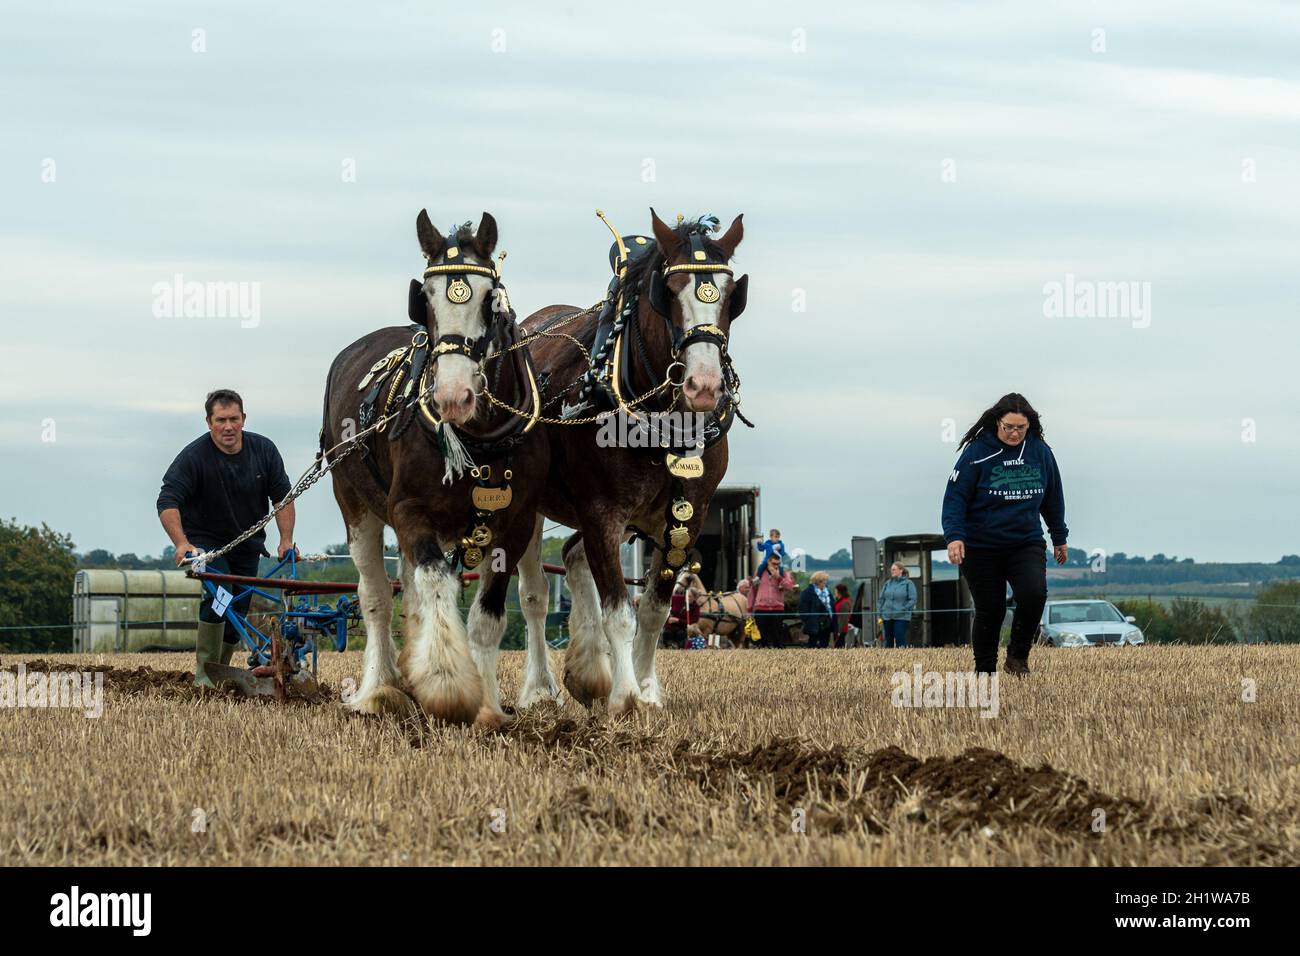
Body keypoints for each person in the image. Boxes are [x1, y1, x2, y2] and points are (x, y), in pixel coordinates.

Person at [157, 389, 294, 687]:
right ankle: (204, 677)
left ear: (244, 419)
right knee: (220, 599)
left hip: (249, 545)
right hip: (207, 545)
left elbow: (282, 497)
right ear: (209, 422)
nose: (228, 426)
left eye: (234, 419)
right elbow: (167, 500)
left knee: (239, 611)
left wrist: (285, 540)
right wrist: (182, 543)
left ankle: (222, 672)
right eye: (221, 420)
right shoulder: (194, 457)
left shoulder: (264, 450)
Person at [942, 392, 1068, 676]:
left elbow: (1053, 496)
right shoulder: (976, 452)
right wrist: (954, 536)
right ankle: (985, 670)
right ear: (997, 422)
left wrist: (1059, 536)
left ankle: (1017, 656)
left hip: (1025, 542)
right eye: (1008, 427)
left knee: (1034, 595)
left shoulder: (1040, 451)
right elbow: (954, 499)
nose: (1014, 433)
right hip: (980, 546)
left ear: (1029, 425)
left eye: (1020, 428)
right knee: (991, 608)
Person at [748, 553, 795, 648]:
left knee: (777, 637)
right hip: (761, 608)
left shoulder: (783, 572)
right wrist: (749, 608)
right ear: (768, 562)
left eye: (778, 563)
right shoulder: (759, 572)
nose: (776, 566)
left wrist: (779, 578)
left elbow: (790, 586)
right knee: (762, 637)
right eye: (774, 563)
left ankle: (778, 658)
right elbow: (752, 590)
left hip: (777, 608)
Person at [878, 563, 917, 647]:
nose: (892, 571)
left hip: (901, 617)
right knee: (888, 641)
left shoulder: (908, 584)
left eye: (894, 569)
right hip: (887, 616)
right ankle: (888, 659)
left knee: (900, 639)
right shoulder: (887, 583)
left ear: (901, 570)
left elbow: (913, 599)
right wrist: (879, 613)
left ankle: (903, 659)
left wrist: (904, 608)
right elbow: (881, 599)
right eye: (891, 569)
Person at [798, 571, 836, 648]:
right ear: (819, 581)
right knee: (812, 644)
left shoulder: (828, 592)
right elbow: (802, 609)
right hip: (814, 624)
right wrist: (808, 620)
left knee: (824, 645)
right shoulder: (807, 593)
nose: (826, 582)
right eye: (824, 580)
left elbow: (832, 605)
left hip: (827, 623)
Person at [833, 583, 854, 648]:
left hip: (841, 630)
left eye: (835, 591)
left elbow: (843, 619)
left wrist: (838, 631)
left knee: (838, 646)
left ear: (840, 592)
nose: (835, 593)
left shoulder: (844, 603)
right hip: (839, 628)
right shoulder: (840, 601)